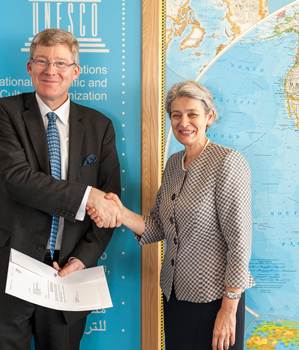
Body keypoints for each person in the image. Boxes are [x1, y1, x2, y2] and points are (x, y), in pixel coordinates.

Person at [0, 28, 121, 350]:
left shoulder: (100, 126)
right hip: (5, 270)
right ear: (29, 68)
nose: (50, 70)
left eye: (60, 63)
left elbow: (109, 203)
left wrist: (83, 258)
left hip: (66, 276)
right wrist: (87, 196)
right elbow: (17, 179)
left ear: (75, 71)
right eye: (41, 61)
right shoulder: (2, 112)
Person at [91, 80, 255, 350]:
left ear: (209, 117)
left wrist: (229, 308)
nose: (183, 122)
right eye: (176, 115)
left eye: (192, 114)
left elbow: (239, 243)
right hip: (175, 296)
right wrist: (119, 213)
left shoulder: (227, 161)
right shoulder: (173, 166)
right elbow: (158, 227)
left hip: (216, 299)